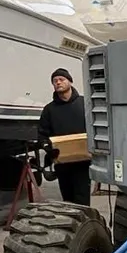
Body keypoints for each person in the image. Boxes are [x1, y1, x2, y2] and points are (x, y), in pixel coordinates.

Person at [37, 67, 91, 207]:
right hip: (62, 162)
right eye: (55, 81)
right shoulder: (49, 109)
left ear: (70, 82)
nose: (58, 83)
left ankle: (84, 225)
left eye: (62, 79)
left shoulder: (85, 104)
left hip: (83, 161)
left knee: (82, 199)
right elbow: (42, 134)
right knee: (67, 199)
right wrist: (49, 149)